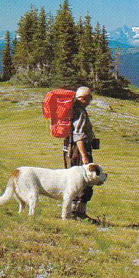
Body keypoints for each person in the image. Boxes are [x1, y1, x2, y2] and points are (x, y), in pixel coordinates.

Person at [63, 86, 98, 219]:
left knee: (72, 178)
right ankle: (78, 212)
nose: (89, 102)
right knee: (82, 179)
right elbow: (79, 134)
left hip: (70, 149)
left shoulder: (72, 110)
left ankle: (72, 211)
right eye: (89, 99)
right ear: (83, 98)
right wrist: (84, 156)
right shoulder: (80, 112)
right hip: (78, 150)